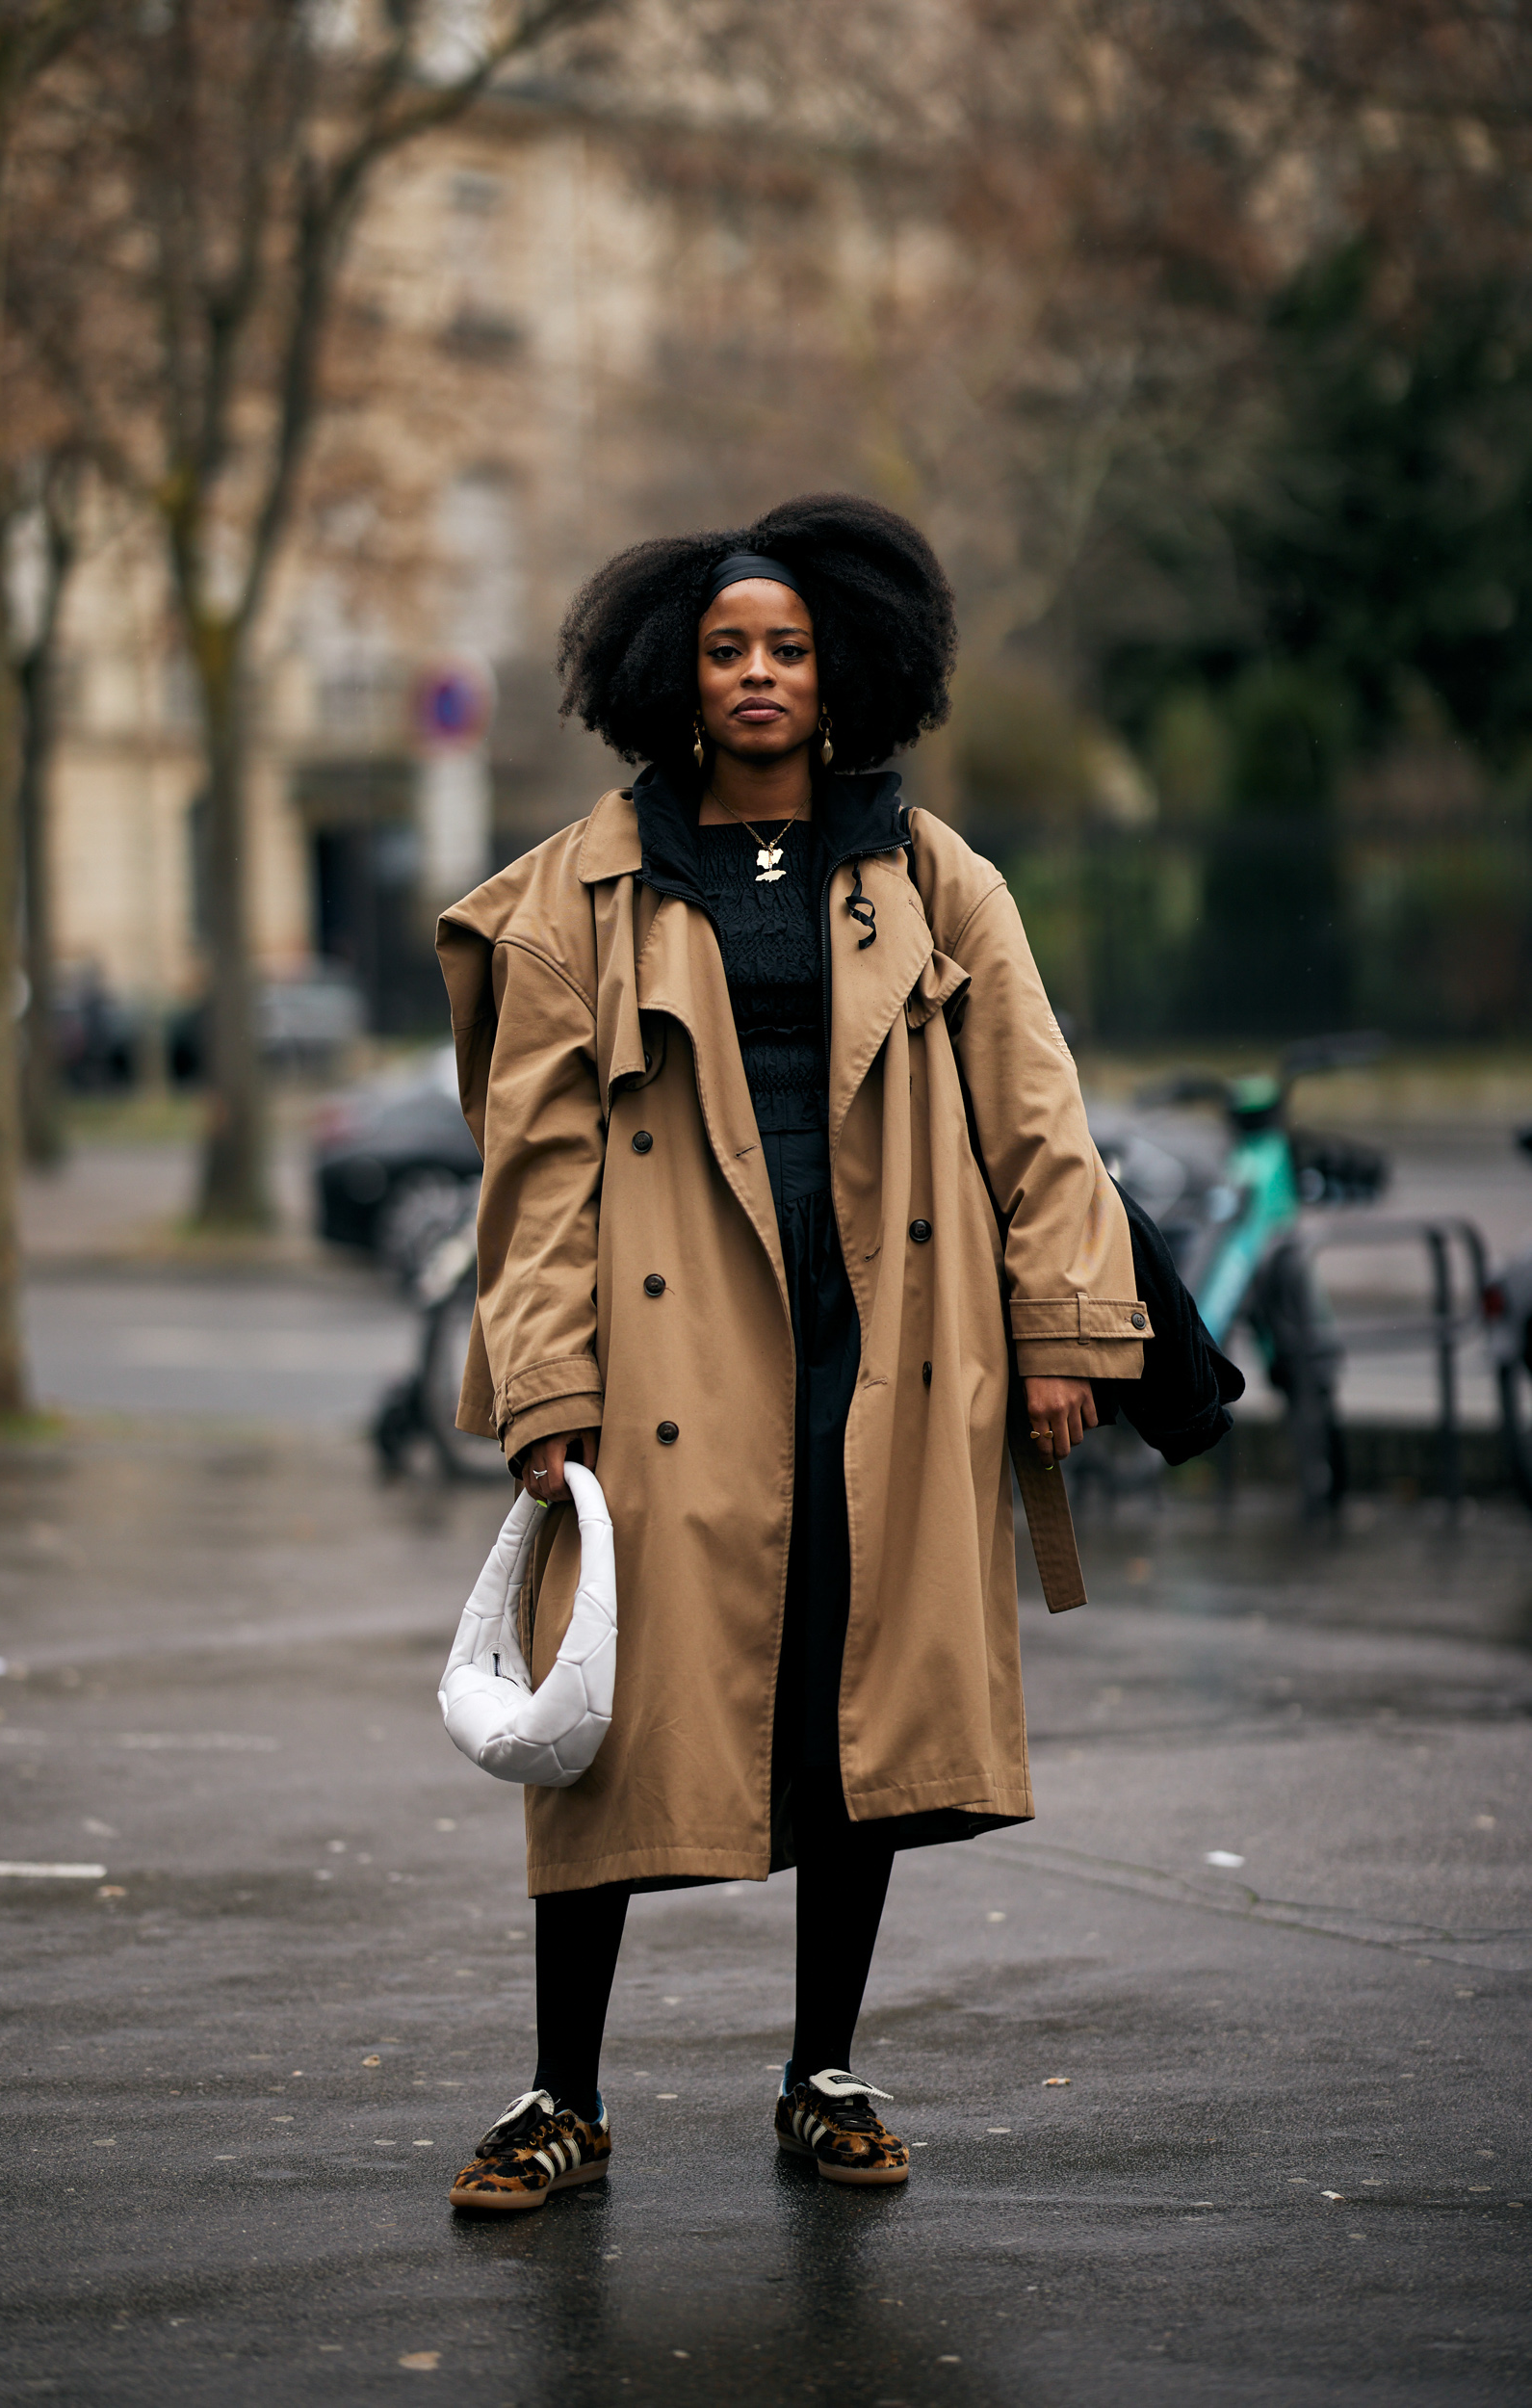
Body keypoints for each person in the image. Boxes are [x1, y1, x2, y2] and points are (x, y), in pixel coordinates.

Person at [435, 493, 1148, 2212]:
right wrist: (547, 1385)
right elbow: (532, 1177)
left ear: (844, 678)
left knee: (857, 1702)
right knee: (597, 1715)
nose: (757, 674)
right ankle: (561, 2095)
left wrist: (1060, 1326)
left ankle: (823, 2069)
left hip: (888, 1343)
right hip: (662, 1366)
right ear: (675, 683)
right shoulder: (576, 895)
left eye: (789, 649)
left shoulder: (932, 871)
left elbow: (1036, 1110)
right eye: (726, 650)